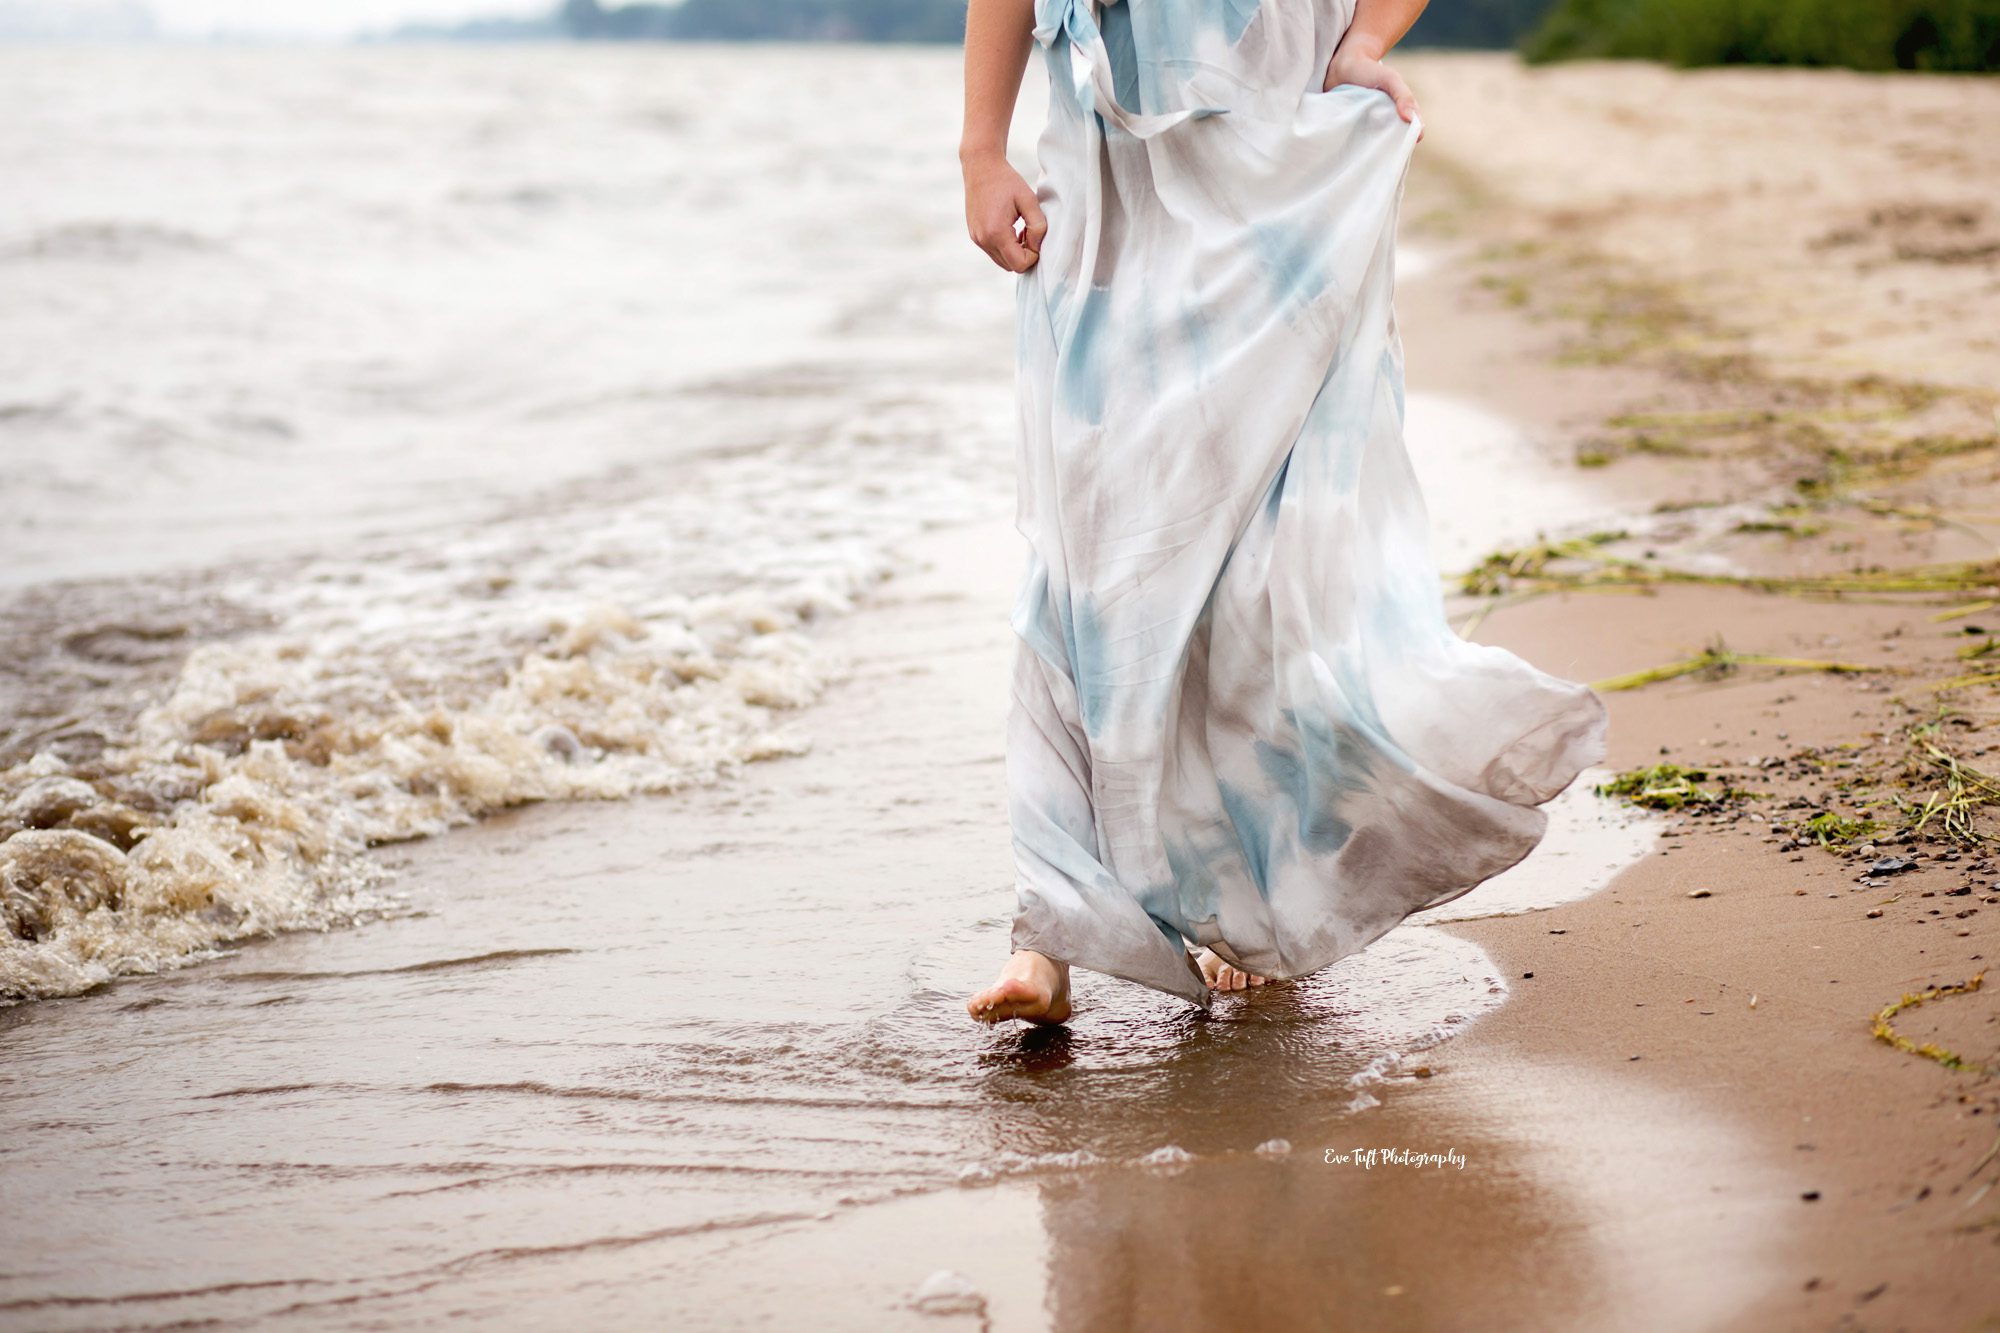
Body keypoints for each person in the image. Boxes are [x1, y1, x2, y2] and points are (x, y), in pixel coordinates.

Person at [963, 0, 1608, 1025]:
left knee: (1259, 554)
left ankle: (1245, 896)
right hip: (1106, 182)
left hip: (1278, 180)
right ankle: (1052, 923)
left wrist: (1362, 42)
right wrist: (979, 149)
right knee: (1088, 543)